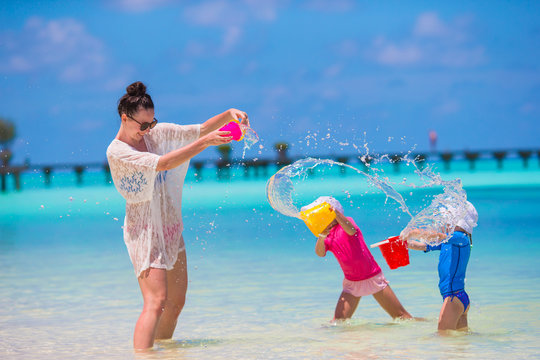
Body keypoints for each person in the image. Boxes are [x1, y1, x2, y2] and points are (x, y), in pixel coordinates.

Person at [106, 81, 249, 349]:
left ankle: (164, 352)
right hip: (145, 232)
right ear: (125, 118)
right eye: (143, 125)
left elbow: (200, 130)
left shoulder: (155, 134)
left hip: (170, 227)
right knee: (156, 301)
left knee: (176, 302)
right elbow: (164, 163)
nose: (148, 130)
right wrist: (205, 144)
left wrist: (229, 113)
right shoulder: (118, 152)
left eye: (152, 123)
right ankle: (143, 355)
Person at [309, 196, 413, 321]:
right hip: (351, 283)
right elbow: (320, 253)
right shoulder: (326, 234)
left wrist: (335, 214)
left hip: (373, 276)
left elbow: (351, 230)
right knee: (338, 321)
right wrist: (321, 236)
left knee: (401, 316)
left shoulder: (347, 222)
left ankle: (427, 327)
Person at [401, 200, 478, 332]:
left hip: (453, 298)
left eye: (448, 220)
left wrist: (413, 232)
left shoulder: (461, 238)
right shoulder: (449, 241)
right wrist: (404, 243)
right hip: (460, 298)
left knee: (443, 337)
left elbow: (437, 236)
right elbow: (424, 246)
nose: (444, 223)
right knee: (461, 343)